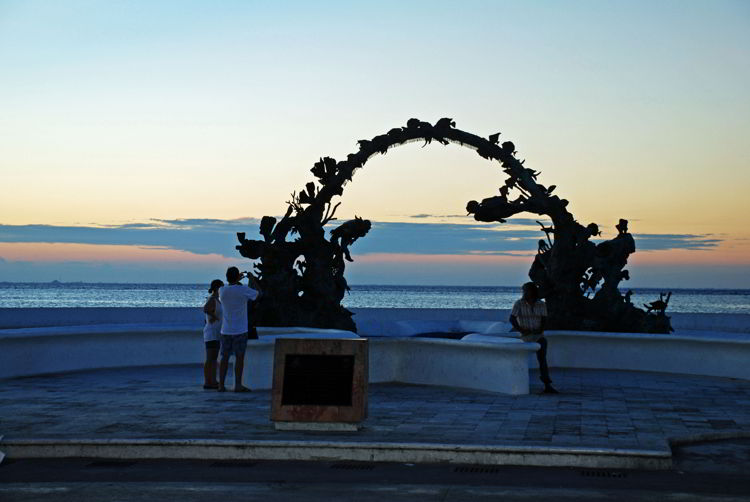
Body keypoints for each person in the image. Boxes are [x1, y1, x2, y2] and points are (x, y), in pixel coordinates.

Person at [509, 282, 559, 394]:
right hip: (525, 336)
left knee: (542, 358)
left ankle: (547, 384)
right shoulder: (519, 304)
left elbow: (544, 319)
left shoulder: (541, 304)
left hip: (538, 335)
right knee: (525, 358)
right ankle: (521, 383)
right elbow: (512, 318)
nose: (525, 293)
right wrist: (521, 330)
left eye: (526, 290)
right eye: (524, 291)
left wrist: (540, 329)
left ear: (533, 291)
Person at [217, 266, 260, 392]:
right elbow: (258, 295)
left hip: (225, 330)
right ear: (238, 276)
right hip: (240, 330)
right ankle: (238, 385)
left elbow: (231, 286)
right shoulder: (243, 290)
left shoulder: (222, 290)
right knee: (239, 358)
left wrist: (236, 278)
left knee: (224, 358)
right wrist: (252, 279)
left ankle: (221, 385)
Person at [201, 279, 224, 390]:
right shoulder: (212, 299)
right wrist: (214, 317)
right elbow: (205, 309)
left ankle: (213, 380)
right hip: (211, 333)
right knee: (210, 358)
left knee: (214, 358)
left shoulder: (217, 300)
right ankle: (208, 381)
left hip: (216, 333)